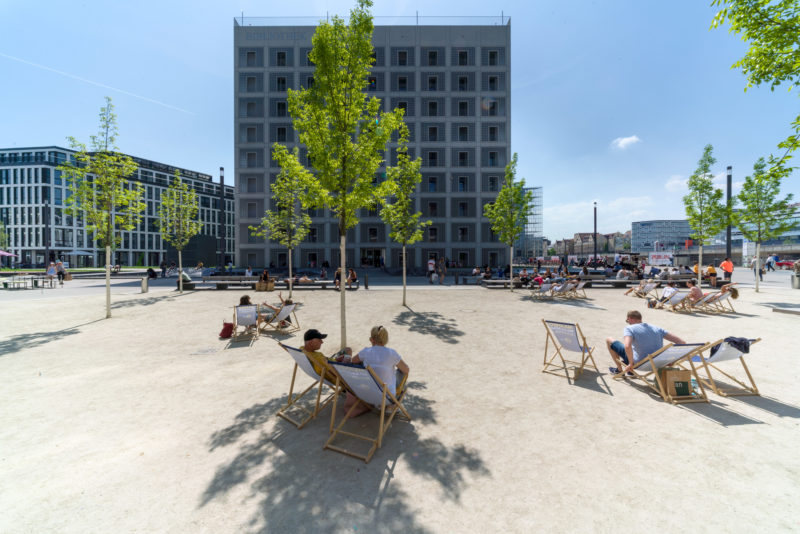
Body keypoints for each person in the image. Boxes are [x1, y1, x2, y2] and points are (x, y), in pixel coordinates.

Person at [344, 325, 410, 417]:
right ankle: (391, 405)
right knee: (402, 372)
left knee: (363, 366)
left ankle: (385, 404)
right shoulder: (392, 353)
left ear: (371, 339)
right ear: (386, 339)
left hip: (367, 394)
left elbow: (353, 361)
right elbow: (406, 369)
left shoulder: (366, 352)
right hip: (386, 397)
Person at [606, 310, 686, 375]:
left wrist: (630, 364)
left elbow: (627, 346)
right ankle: (629, 370)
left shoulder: (630, 328)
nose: (628, 323)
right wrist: (671, 361)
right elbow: (682, 343)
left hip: (639, 364)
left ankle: (620, 370)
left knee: (609, 339)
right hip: (658, 364)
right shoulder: (657, 328)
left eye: (628, 321)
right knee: (635, 348)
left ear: (630, 318)